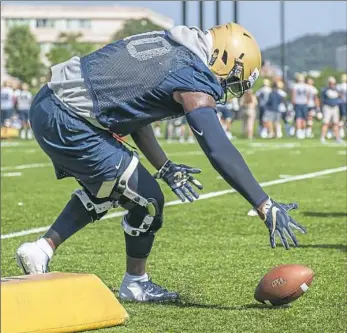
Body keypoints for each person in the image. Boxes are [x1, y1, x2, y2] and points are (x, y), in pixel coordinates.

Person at [16, 23, 306, 303]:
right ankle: (136, 284)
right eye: (233, 78)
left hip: (52, 105)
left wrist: (164, 166)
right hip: (70, 119)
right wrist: (263, 203)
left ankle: (41, 249)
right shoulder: (192, 74)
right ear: (224, 58)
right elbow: (217, 147)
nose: (228, 88)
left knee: (109, 190)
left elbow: (135, 115)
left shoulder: (169, 45)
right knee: (148, 201)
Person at [320, 76, 343, 144]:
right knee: (326, 123)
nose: (332, 85)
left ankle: (337, 138)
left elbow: (340, 98)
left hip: (335, 107)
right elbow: (322, 100)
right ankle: (322, 137)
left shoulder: (336, 90)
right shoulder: (325, 90)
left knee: (336, 123)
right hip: (327, 107)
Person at [291, 74, 309, 139]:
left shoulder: (295, 86)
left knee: (298, 117)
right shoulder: (306, 86)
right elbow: (307, 96)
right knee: (304, 118)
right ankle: (303, 131)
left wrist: (293, 103)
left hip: (297, 103)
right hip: (304, 103)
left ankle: (299, 131)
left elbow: (293, 95)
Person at [337, 73, 346, 139]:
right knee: (343, 117)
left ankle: (341, 129)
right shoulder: (340, 86)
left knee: (342, 117)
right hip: (342, 103)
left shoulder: (339, 86)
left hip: (341, 103)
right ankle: (341, 129)